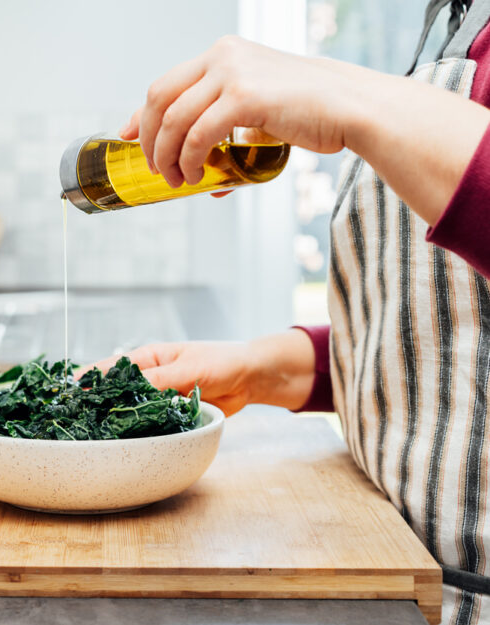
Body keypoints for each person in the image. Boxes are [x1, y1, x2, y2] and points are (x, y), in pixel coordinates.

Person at [91, 1, 490, 623]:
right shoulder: (452, 25)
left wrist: (347, 95)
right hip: (402, 579)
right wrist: (260, 369)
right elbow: (454, 326)